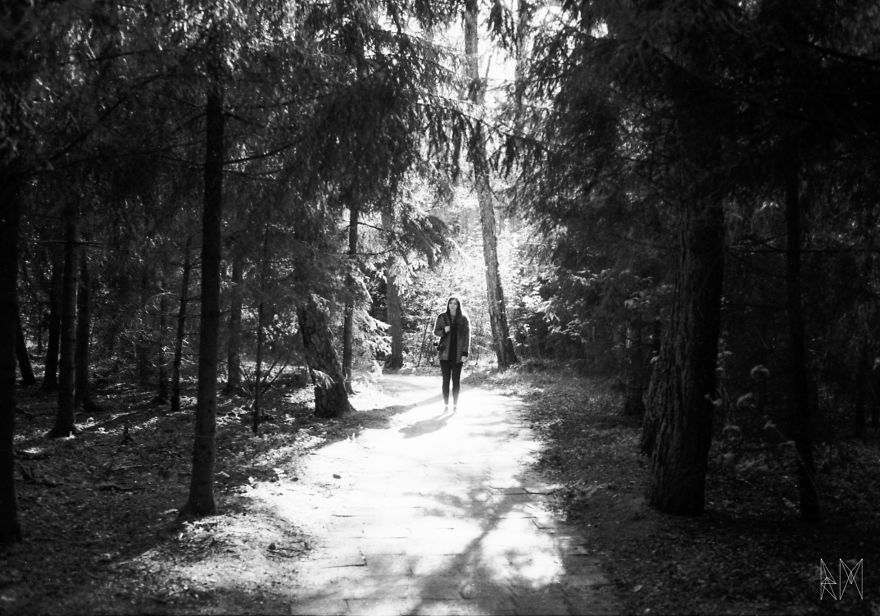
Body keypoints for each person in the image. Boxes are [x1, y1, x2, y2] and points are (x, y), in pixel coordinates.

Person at [434, 296, 470, 409]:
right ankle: (445, 404)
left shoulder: (463, 319)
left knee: (456, 380)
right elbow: (436, 332)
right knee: (445, 380)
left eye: (455, 303)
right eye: (451, 303)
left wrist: (465, 353)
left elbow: (467, 337)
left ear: (458, 305)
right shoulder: (442, 317)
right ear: (448, 304)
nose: (453, 305)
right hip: (445, 354)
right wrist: (444, 331)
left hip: (458, 354)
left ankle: (455, 404)